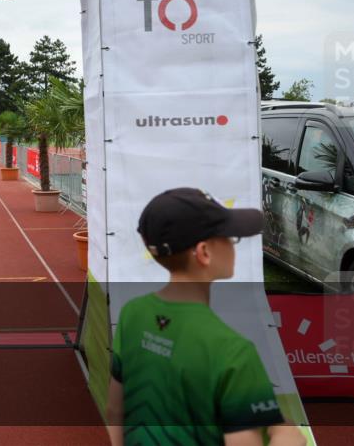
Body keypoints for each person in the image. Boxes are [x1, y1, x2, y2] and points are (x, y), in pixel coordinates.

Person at [106, 188, 305, 446]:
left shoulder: (132, 313)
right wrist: (288, 439)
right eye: (230, 237)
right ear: (204, 252)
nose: (233, 244)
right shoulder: (234, 352)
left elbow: (115, 411)